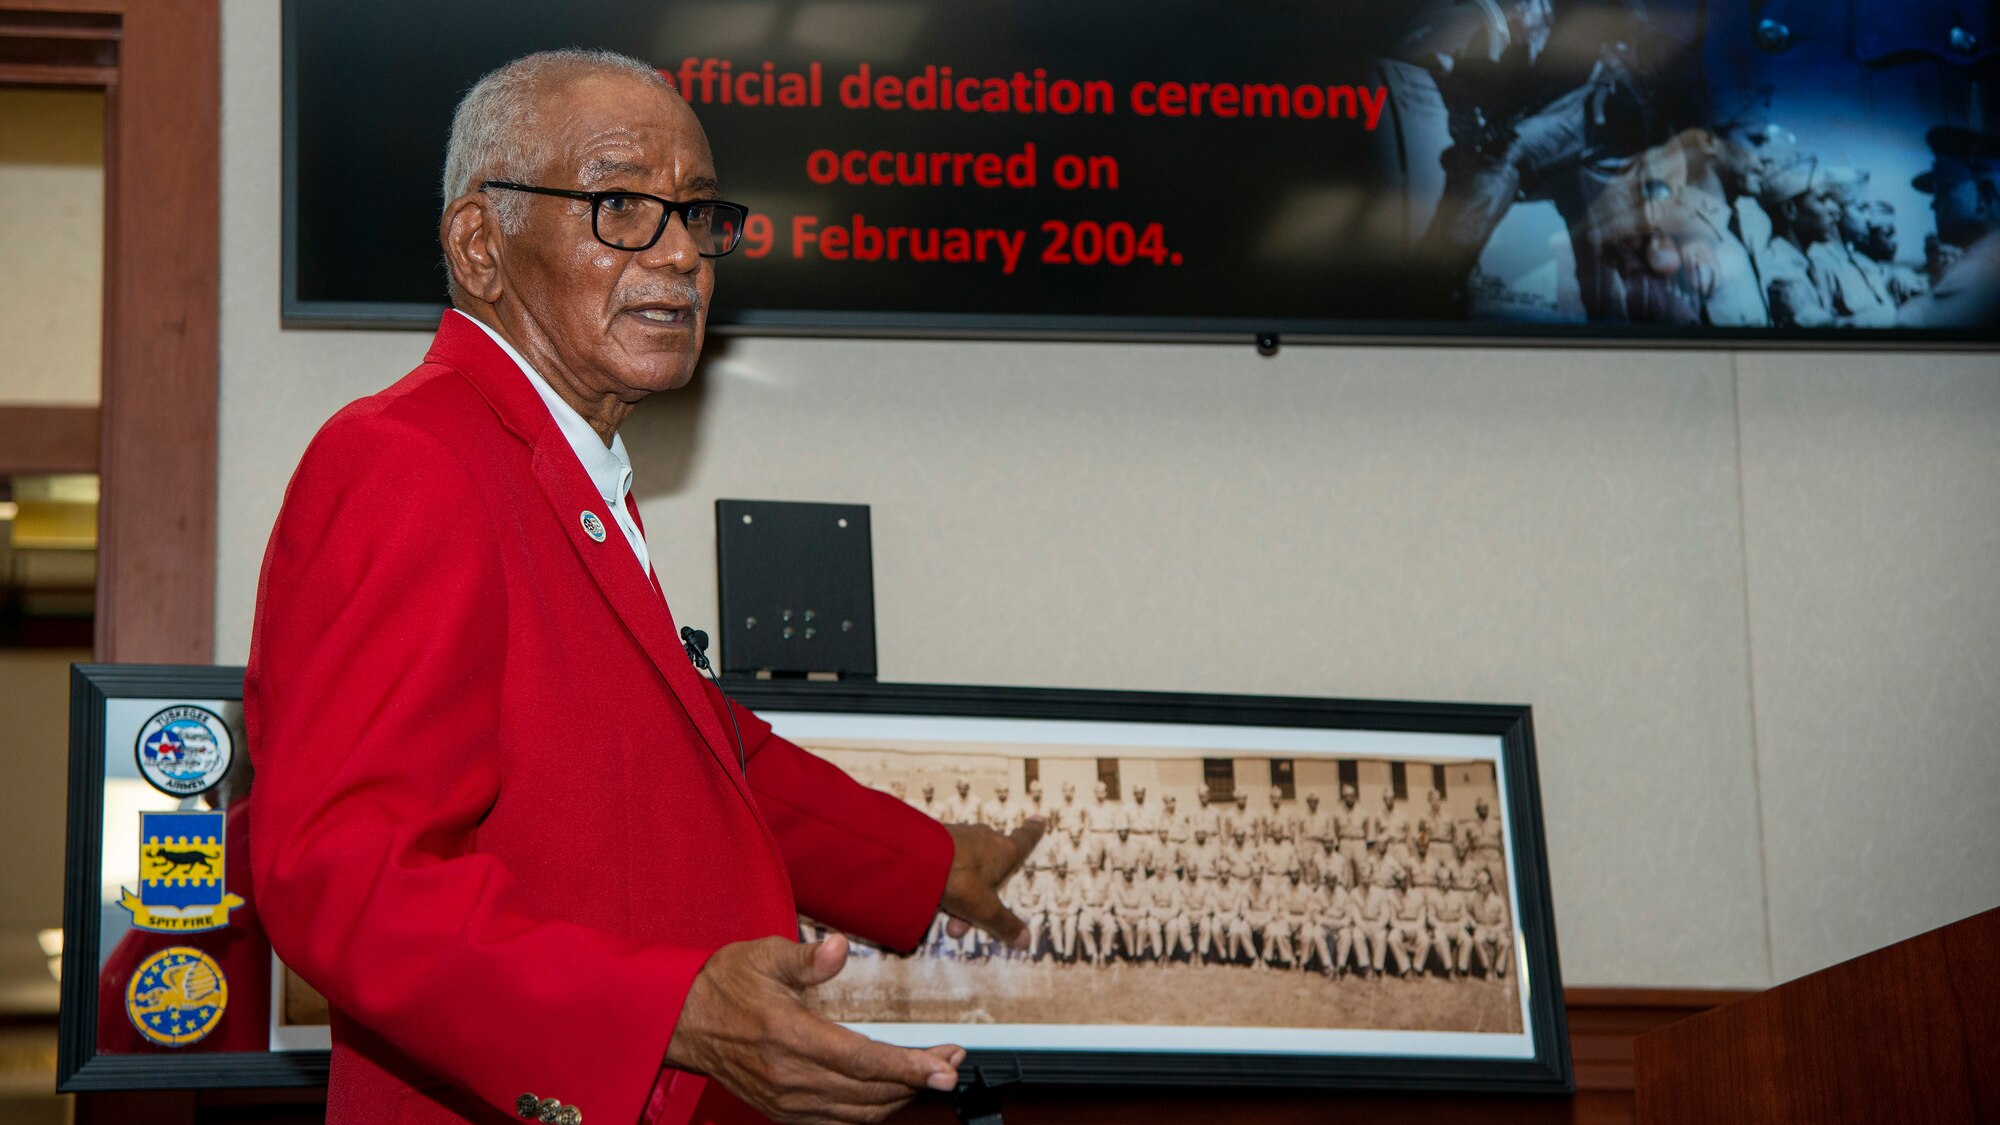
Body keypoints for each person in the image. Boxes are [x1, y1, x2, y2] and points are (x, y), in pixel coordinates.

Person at [245, 50, 1042, 1125]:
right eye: (620, 206)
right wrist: (669, 1010)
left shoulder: (558, 472)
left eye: (698, 215)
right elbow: (344, 874)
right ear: (481, 245)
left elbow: (691, 750)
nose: (681, 256)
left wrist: (932, 863)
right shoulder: (409, 458)